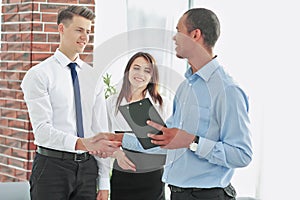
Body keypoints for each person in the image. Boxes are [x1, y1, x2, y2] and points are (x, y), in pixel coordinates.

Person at [109, 8, 253, 200]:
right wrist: (118, 139)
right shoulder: (186, 88)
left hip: (208, 196)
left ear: (195, 35)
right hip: (178, 193)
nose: (174, 38)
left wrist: (193, 142)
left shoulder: (227, 90)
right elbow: (166, 141)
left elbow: (242, 154)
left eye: (178, 31)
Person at [21, 5, 120, 200]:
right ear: (61, 29)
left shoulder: (93, 77)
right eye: (79, 30)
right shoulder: (39, 75)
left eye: (88, 32)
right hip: (52, 167)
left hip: (88, 169)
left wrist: (103, 181)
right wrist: (82, 143)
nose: (85, 37)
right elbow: (42, 131)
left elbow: (99, 130)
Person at [105, 52, 172, 200]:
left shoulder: (163, 104)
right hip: (123, 173)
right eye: (136, 68)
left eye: (147, 71)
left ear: (152, 77)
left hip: (152, 176)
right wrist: (117, 154)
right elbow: (103, 138)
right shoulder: (111, 102)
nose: (140, 74)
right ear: (128, 70)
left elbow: (168, 146)